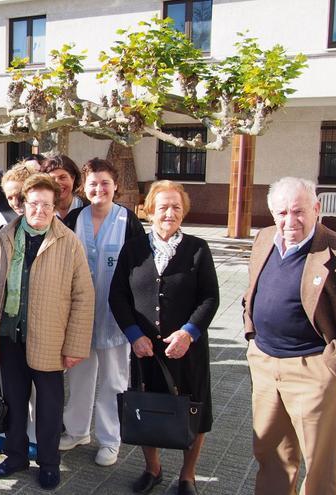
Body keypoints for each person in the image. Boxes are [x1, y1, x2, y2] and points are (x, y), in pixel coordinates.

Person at [0, 173, 94, 491]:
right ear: (23, 204)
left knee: (49, 405)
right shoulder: (6, 236)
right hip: (9, 336)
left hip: (50, 340)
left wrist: (75, 345)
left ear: (55, 206)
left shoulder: (68, 242)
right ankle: (15, 456)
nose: (39, 210)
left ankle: (49, 463)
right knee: (14, 400)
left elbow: (84, 297)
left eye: (46, 204)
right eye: (34, 204)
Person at [109, 180, 219, 495]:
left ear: (183, 211)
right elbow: (117, 296)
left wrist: (189, 333)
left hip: (188, 350)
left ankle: (187, 476)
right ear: (149, 212)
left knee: (194, 411)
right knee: (146, 408)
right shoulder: (133, 248)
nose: (169, 213)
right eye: (162, 207)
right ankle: (152, 469)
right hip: (146, 350)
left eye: (175, 207)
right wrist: (134, 335)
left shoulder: (198, 249)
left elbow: (210, 298)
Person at [243, 177, 336, 495]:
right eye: (282, 213)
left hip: (313, 368)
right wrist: (250, 333)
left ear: (316, 209)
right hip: (264, 364)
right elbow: (252, 290)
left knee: (319, 463)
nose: (290, 221)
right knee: (271, 454)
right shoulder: (265, 238)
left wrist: (334, 362)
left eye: (299, 211)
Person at [59, 158, 144, 467]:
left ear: (115, 186)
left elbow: (141, 270)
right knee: (80, 375)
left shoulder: (128, 221)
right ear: (85, 187)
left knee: (114, 381)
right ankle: (78, 431)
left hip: (116, 318)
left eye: (105, 183)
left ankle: (110, 440)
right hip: (79, 316)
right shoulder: (74, 219)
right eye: (93, 183)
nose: (99, 189)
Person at [47, 154, 84, 220]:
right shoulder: (42, 210)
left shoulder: (86, 208)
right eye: (52, 179)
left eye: (62, 177)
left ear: (73, 178)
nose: (57, 183)